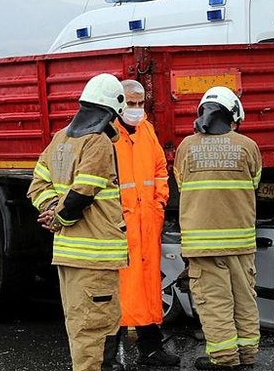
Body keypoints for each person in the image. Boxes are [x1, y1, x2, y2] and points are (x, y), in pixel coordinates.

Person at [27, 73, 128, 371]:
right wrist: (59, 217)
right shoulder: (97, 142)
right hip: (96, 256)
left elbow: (38, 184)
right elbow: (84, 191)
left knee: (79, 323)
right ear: (113, 110)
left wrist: (49, 210)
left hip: (69, 254)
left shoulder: (60, 139)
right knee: (96, 327)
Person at [174, 86, 262, 370]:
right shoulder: (249, 147)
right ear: (233, 115)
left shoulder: (186, 147)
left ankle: (224, 358)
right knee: (244, 299)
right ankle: (247, 354)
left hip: (203, 245)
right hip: (241, 242)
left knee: (215, 302)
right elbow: (255, 184)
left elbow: (180, 184)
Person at [114, 79, 180, 367]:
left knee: (148, 287)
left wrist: (159, 203)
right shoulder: (108, 136)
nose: (137, 109)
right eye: (131, 103)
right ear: (119, 104)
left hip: (146, 222)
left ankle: (150, 348)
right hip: (121, 225)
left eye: (141, 104)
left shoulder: (147, 130)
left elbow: (159, 169)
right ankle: (109, 355)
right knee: (119, 290)